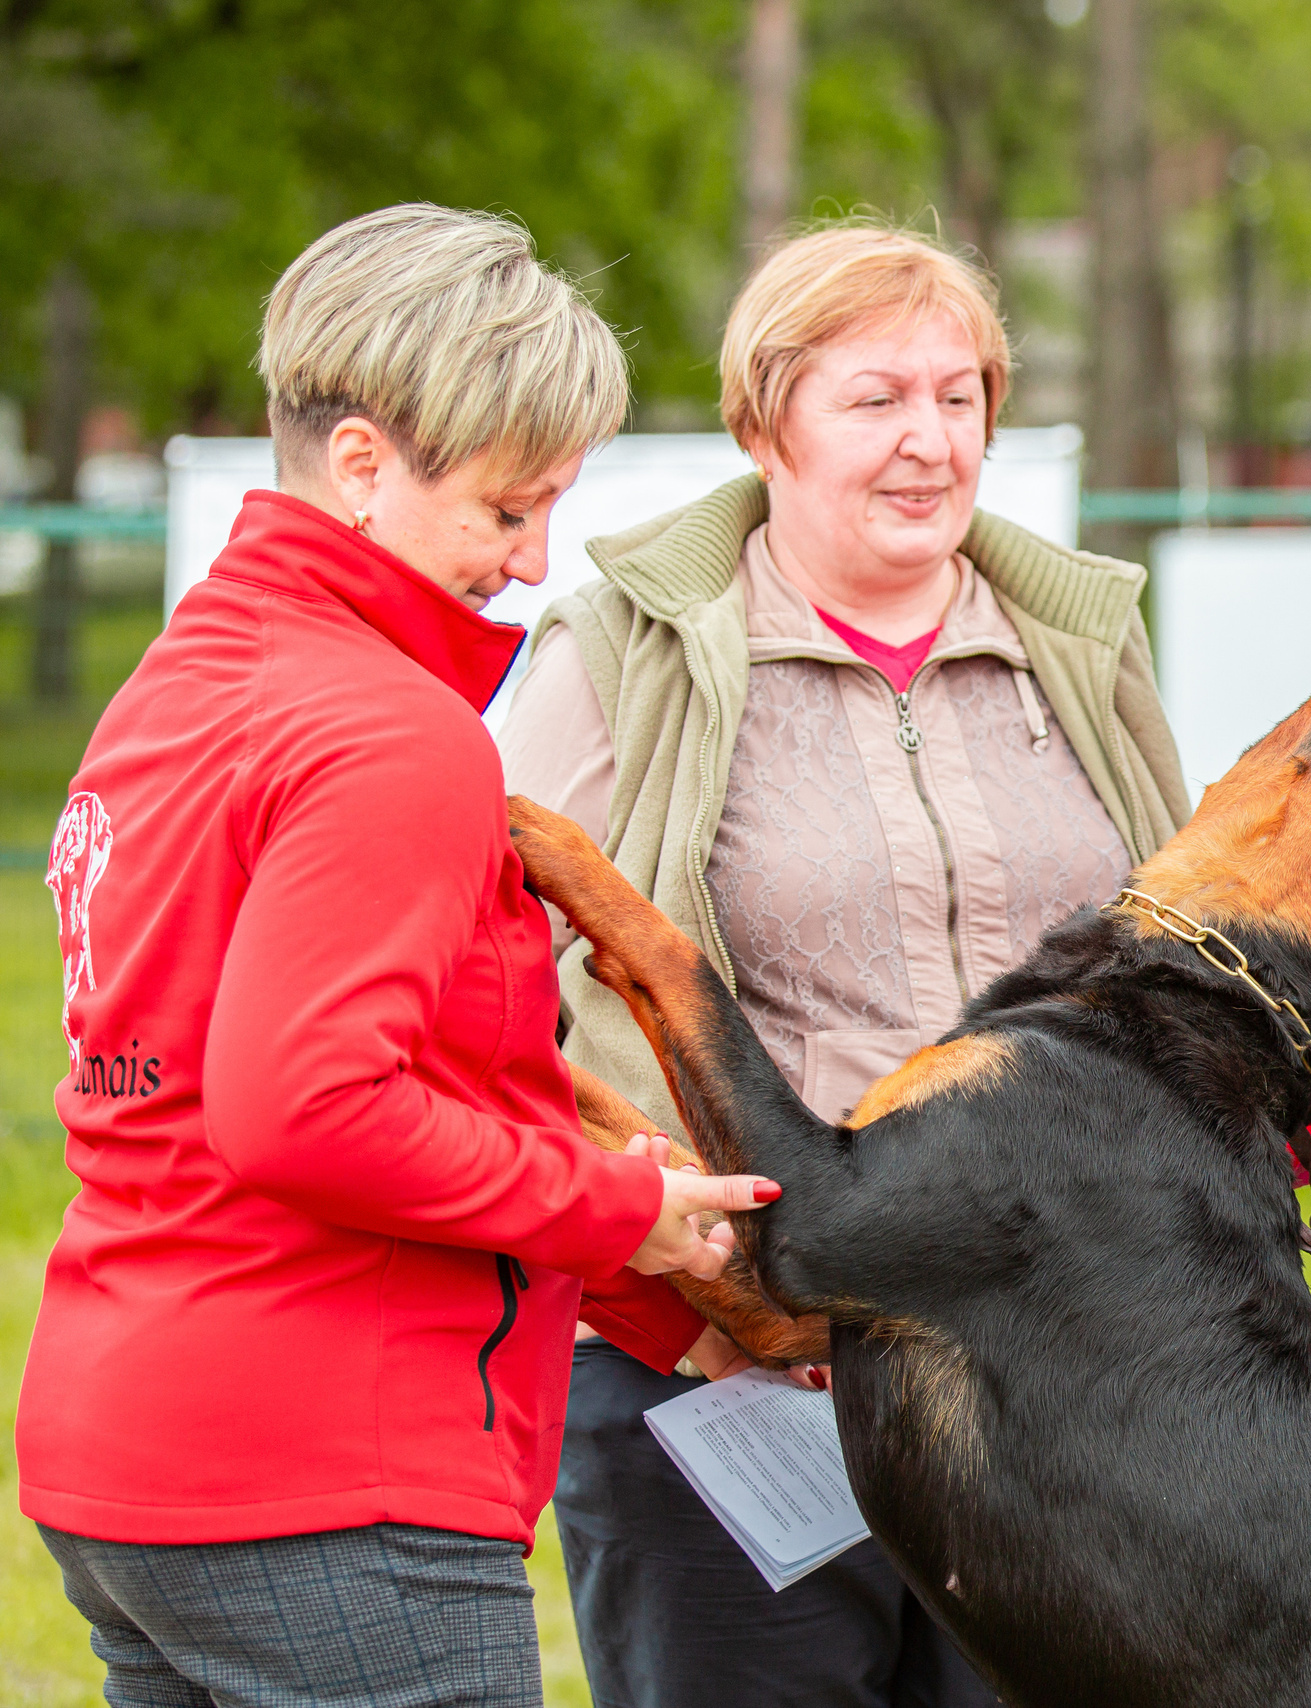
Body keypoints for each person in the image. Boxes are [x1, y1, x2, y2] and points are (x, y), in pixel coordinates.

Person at [20, 203, 775, 1708]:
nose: (531, 560)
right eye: (506, 509)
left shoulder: (178, 684)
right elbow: (306, 1106)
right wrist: (616, 1202)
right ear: (361, 464)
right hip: (326, 1476)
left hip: (125, 1441)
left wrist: (649, 1292)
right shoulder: (390, 731)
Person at [497, 220, 1188, 1708]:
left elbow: (1167, 982)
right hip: (733, 1383)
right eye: (873, 399)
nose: (927, 441)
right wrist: (701, 1305)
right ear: (765, 424)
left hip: (1048, 1379)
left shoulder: (1085, 646)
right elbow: (482, 988)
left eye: (959, 396)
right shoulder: (624, 650)